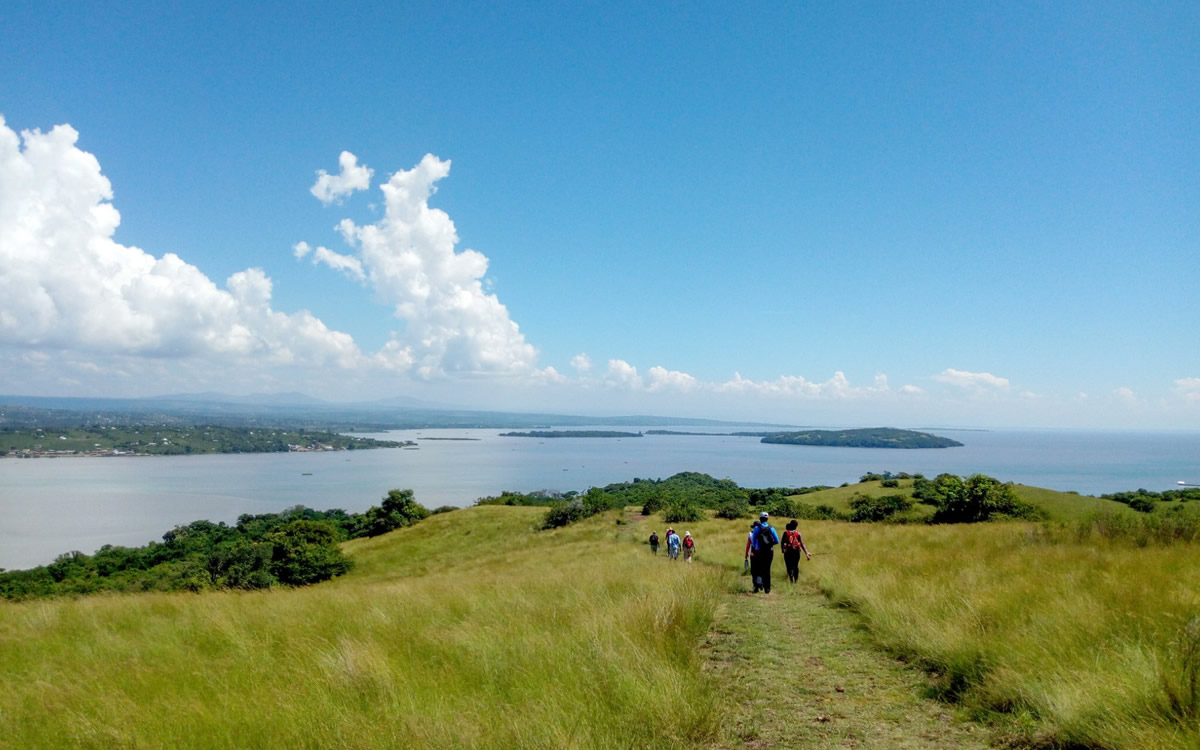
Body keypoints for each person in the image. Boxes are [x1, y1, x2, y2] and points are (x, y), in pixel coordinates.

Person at [751, 511, 780, 593]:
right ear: (767, 519)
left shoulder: (757, 528)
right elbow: (777, 541)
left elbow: (753, 541)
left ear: (760, 519)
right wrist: (769, 544)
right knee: (767, 569)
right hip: (769, 551)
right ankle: (767, 588)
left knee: (759, 568)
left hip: (759, 551)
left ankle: (759, 584)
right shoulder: (771, 528)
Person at [780, 519, 811, 584]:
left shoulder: (786, 533)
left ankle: (791, 579)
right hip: (796, 552)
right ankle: (796, 580)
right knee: (795, 566)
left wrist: (782, 550)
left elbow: (782, 542)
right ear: (796, 526)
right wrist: (806, 553)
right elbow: (802, 544)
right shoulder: (798, 534)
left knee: (788, 565)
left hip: (788, 552)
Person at [744, 520, 761, 591]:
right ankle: (760, 582)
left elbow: (748, 545)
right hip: (762, 554)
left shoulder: (751, 534)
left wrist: (746, 553)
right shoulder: (763, 533)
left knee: (754, 570)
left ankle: (755, 585)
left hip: (753, 554)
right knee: (761, 569)